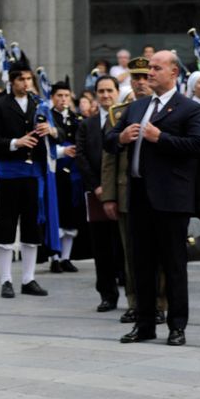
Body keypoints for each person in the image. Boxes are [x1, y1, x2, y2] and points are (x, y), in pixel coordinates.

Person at [105, 51, 200, 346]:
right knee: (141, 264)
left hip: (171, 200)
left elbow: (198, 145)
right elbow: (110, 139)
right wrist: (121, 138)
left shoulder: (189, 109)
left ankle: (177, 326)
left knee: (174, 265)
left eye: (156, 68)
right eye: (149, 67)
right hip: (137, 197)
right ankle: (144, 323)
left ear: (174, 72)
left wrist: (159, 137)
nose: (150, 72)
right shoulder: (136, 107)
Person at [100, 56, 167, 325]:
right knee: (131, 254)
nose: (140, 83)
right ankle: (135, 302)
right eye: (135, 78)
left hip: (159, 193)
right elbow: (109, 157)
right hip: (127, 193)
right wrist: (108, 195)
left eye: (144, 77)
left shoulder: (167, 109)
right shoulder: (120, 112)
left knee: (161, 254)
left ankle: (161, 303)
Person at [0, 62, 50, 298]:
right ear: (11, 81)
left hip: (34, 173)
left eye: (28, 79)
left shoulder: (39, 104)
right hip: (9, 172)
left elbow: (57, 134)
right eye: (21, 79)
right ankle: (6, 280)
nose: (26, 83)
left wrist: (51, 131)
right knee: (6, 224)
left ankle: (29, 278)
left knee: (32, 225)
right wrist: (16, 142)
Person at [76, 75, 122, 312]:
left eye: (109, 90)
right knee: (102, 246)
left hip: (124, 193)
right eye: (101, 91)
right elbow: (82, 157)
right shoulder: (87, 124)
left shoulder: (127, 118)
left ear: (117, 92)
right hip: (96, 193)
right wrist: (97, 186)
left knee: (125, 245)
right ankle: (107, 294)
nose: (105, 95)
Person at [47, 78, 83, 274]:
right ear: (52, 98)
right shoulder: (48, 118)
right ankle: (54, 257)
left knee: (71, 214)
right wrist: (62, 151)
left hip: (74, 172)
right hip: (55, 170)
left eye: (66, 96)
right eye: (59, 96)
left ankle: (67, 257)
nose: (63, 99)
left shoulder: (77, 119)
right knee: (56, 213)